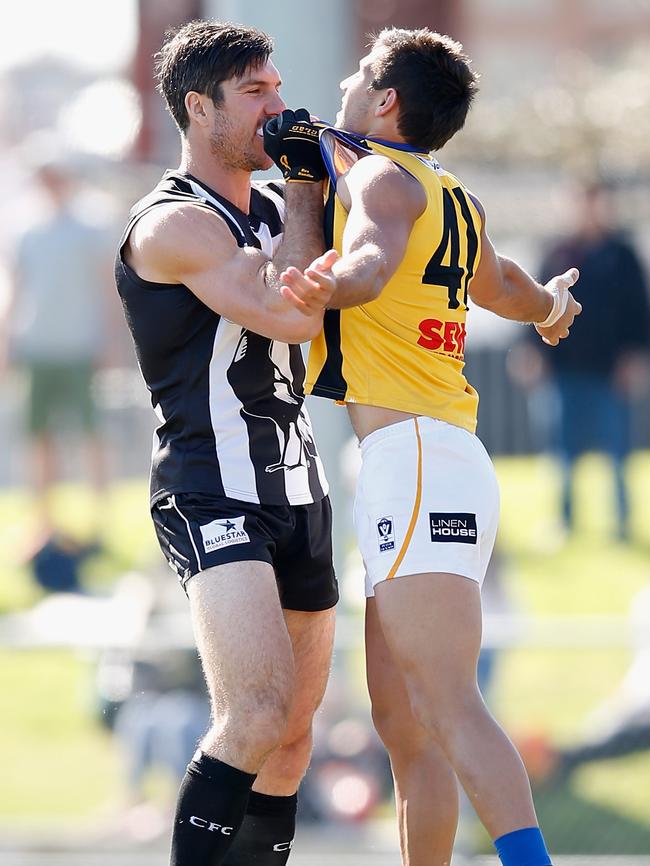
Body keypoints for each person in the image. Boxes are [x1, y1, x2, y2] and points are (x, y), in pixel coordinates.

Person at [269, 27, 581, 866]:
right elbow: (505, 284)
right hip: (429, 462)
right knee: (405, 727)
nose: (345, 77)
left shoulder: (378, 175)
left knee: (445, 708)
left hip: (413, 462)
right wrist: (549, 308)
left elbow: (369, 257)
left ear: (386, 101)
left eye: (362, 72)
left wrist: (333, 280)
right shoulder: (450, 194)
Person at [114, 20, 339, 866]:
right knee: (254, 712)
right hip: (211, 486)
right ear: (197, 106)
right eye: (255, 93)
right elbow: (293, 313)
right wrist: (314, 190)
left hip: (297, 485)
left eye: (278, 88)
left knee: (292, 738)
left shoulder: (286, 205)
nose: (279, 108)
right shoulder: (173, 225)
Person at [2, 148, 114, 583]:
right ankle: (43, 519)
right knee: (40, 437)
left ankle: (97, 522)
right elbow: (14, 287)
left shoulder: (92, 225)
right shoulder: (25, 228)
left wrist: (109, 342)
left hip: (79, 346)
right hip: (38, 347)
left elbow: (107, 287)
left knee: (90, 434)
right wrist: (6, 344)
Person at [521, 179, 650, 541]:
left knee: (619, 453)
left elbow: (639, 312)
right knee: (560, 452)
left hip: (610, 373)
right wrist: (531, 352)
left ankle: (623, 526)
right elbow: (533, 302)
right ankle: (563, 523)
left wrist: (636, 358)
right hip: (563, 370)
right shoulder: (556, 252)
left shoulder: (623, 256)